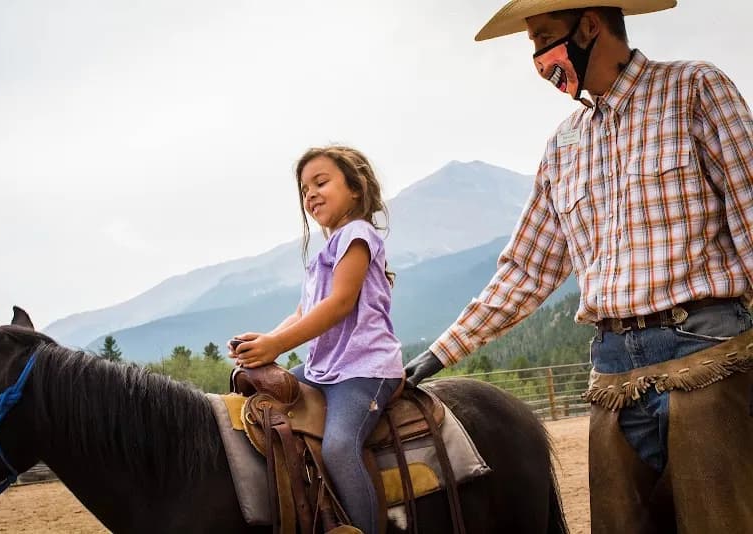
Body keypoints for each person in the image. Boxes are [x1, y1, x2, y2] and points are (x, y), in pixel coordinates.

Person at [404, 1, 753, 531]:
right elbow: (527, 269)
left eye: (544, 39)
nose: (540, 60)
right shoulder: (563, 147)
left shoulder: (695, 90)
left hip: (708, 354)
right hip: (612, 375)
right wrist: (437, 354)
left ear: (590, 25)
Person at [230, 145, 404, 534]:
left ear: (356, 188)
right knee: (258, 409)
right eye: (305, 189)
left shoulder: (356, 235)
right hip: (324, 369)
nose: (310, 194)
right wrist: (265, 340)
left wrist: (277, 347)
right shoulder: (324, 251)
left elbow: (340, 303)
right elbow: (303, 313)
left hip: (363, 369)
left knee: (340, 447)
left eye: (321, 182)